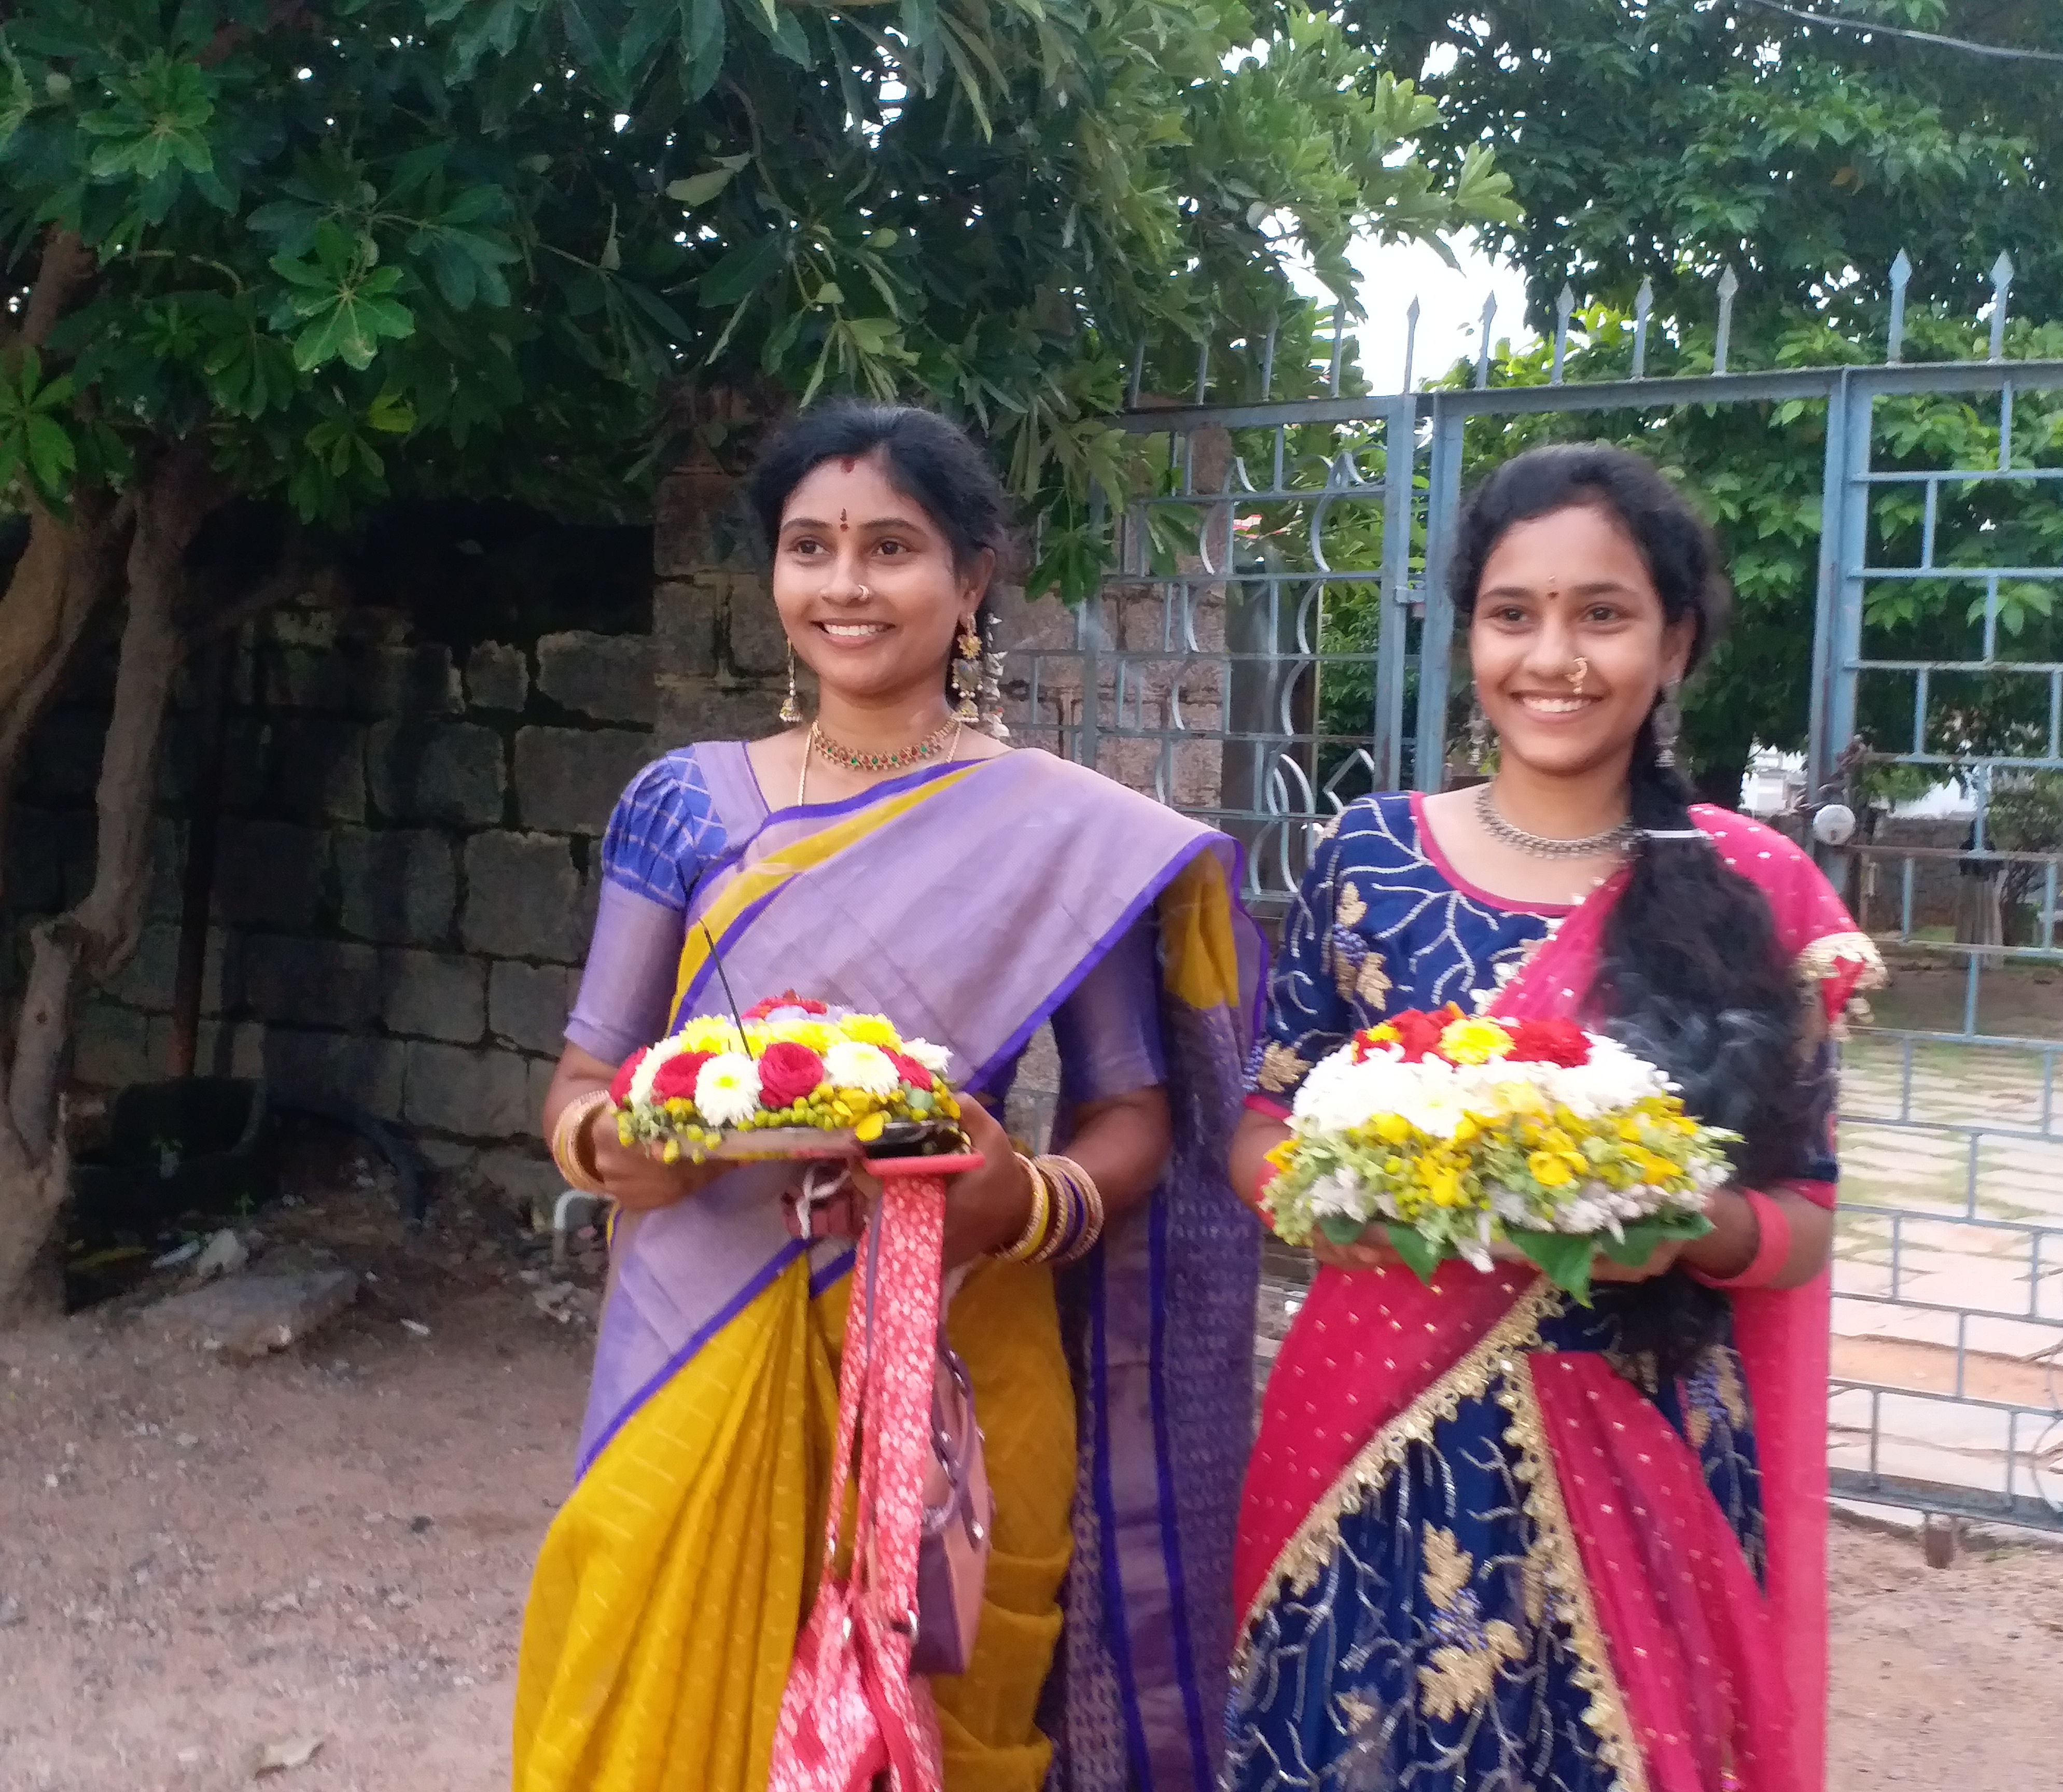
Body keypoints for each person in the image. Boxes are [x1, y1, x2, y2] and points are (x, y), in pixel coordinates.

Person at [511, 402, 1265, 1792]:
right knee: (643, 1669)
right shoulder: (684, 806)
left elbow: (1132, 1119)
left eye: (892, 548)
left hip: (958, 1336)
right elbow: (582, 1081)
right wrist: (635, 1145)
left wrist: (1020, 1202)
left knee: (952, 1712)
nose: (847, 583)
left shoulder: (1065, 834)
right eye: (812, 547)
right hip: (702, 1318)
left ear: (972, 578)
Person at [1222, 444, 1883, 1792]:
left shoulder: (1751, 887)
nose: (1554, 657)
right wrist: (1344, 1194)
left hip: (1646, 1440)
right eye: (1513, 614)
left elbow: (1802, 1215)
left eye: (1604, 613)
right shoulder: (1369, 858)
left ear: (1676, 641)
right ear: (1469, 632)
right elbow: (1260, 1123)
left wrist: (1686, 1225)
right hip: (1368, 1425)